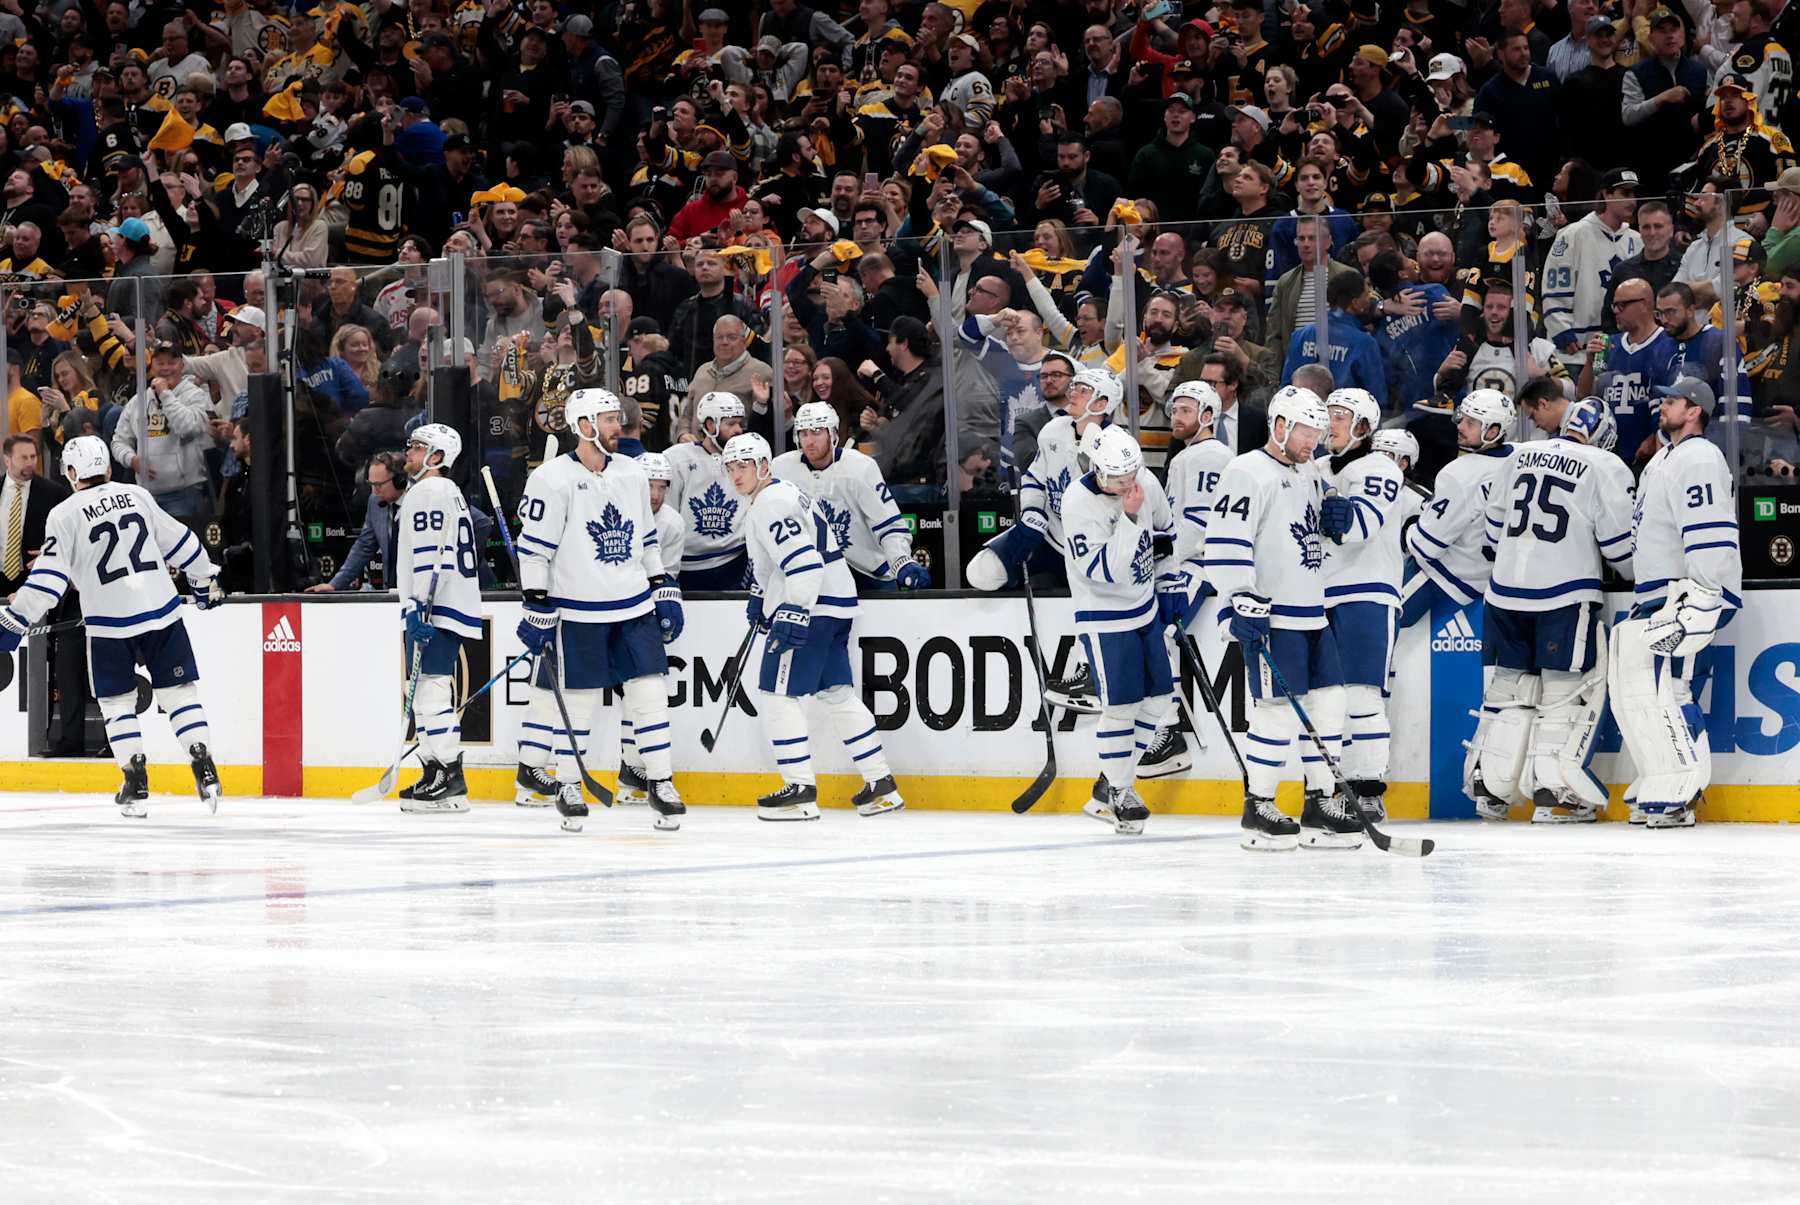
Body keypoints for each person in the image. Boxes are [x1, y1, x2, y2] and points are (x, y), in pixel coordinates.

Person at [0, 436, 223, 816]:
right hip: (161, 611)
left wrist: (11, 624)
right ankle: (204, 767)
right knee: (180, 694)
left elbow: (48, 581)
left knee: (117, 703)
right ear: (107, 467)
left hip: (108, 625)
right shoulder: (136, 495)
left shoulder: (65, 513)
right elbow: (182, 541)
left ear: (71, 473)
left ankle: (135, 783)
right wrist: (205, 582)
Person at [512, 387, 686, 832]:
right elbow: (534, 552)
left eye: (617, 419)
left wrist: (661, 586)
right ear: (584, 426)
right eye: (608, 420)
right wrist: (536, 603)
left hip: (632, 605)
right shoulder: (551, 480)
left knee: (650, 692)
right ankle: (569, 783)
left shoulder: (630, 473)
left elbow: (645, 540)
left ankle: (661, 782)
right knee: (580, 700)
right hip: (578, 610)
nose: (618, 428)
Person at [1203, 386, 1363, 852]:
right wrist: (1237, 599)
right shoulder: (1247, 471)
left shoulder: (1311, 471)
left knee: (1331, 705)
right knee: (1274, 715)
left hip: (1314, 611)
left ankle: (1320, 801)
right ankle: (1259, 804)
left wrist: (1338, 521)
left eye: (1319, 432)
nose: (1315, 441)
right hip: (1272, 615)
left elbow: (1315, 544)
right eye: (1307, 431)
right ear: (1279, 426)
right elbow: (1227, 541)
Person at [1466, 397, 1635, 825]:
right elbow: (1620, 549)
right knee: (1564, 695)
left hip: (1505, 591)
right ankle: (1554, 793)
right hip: (1563, 592)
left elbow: (1492, 526)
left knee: (1508, 691)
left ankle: (1490, 789)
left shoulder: (1521, 455)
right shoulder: (1604, 464)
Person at [722, 431, 904, 822]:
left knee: (776, 694)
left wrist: (792, 610)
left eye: (744, 466)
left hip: (813, 605)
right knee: (837, 693)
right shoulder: (783, 492)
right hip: (837, 604)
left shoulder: (770, 504)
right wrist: (761, 593)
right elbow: (778, 563)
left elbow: (803, 562)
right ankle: (881, 784)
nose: (736, 475)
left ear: (764, 466)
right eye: (731, 467)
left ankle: (800, 792)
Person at [1609, 377, 1743, 829]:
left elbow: (1710, 533)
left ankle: (1683, 789)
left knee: (1673, 692)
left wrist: (1704, 598)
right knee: (1644, 695)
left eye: (1672, 400)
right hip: (1655, 593)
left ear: (1696, 411)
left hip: (1681, 593)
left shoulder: (1700, 457)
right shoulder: (1660, 460)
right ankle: (1659, 778)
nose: (1662, 405)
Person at [1052, 426, 1180, 836]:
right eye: (1119, 479)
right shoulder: (1077, 502)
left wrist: (1167, 566)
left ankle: (1111, 783)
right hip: (1103, 615)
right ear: (1098, 470)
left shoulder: (1143, 480)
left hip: (1144, 607)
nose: (1128, 485)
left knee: (1160, 697)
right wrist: (1127, 519)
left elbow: (1166, 527)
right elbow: (1103, 571)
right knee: (1121, 705)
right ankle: (1122, 790)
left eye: (1132, 476)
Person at [1315, 389, 1410, 824]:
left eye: (1340, 415)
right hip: (1317, 594)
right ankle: (1330, 789)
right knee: (1325, 700)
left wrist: (1327, 508)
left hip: (1366, 592)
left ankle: (1367, 788)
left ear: (1364, 427)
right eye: (1326, 414)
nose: (1329, 422)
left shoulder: (1378, 467)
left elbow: (1356, 526)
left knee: (1361, 696)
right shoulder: (1313, 469)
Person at [1136, 379, 1235, 780]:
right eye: (1174, 410)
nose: (1176, 417)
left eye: (1186, 410)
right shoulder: (1198, 455)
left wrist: (1167, 561)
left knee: (1159, 631)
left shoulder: (1201, 457)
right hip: (1199, 560)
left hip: (1200, 563)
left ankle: (1170, 730)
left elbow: (1194, 524)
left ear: (1208, 416)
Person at [388, 425, 484, 814]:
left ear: (438, 456)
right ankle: (432, 769)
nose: (409, 452)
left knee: (431, 690)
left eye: (417, 447)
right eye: (410, 445)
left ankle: (449, 772)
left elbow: (430, 556)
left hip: (436, 606)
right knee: (426, 687)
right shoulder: (445, 491)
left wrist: (417, 608)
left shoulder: (428, 491)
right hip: (445, 602)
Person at [770, 402, 926, 592]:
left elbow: (887, 523)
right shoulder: (781, 469)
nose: (809, 441)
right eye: (804, 433)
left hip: (865, 571)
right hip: (813, 575)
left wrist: (900, 560)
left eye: (817, 432)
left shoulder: (860, 467)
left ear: (833, 433)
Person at [1401, 390, 1519, 630]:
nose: (1460, 426)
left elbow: (1426, 548)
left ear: (1494, 431)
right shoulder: (1523, 457)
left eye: (1471, 422)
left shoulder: (1459, 474)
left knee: (1376, 621)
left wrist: (1409, 528)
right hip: (1491, 581)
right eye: (1462, 418)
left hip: (1441, 579)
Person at [615, 450, 686, 807]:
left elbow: (664, 574)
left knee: (640, 689)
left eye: (662, 487)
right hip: (606, 605)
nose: (655, 495)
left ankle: (632, 769)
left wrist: (667, 599)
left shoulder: (672, 523)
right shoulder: (615, 508)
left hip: (639, 609)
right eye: (649, 486)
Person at [1544, 168, 1644, 373]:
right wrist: (1561, 328)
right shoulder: (1573, 234)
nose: (1632, 200)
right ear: (1606, 195)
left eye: (1633, 194)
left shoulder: (1637, 239)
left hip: (1624, 348)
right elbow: (1554, 284)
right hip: (1577, 352)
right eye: (1625, 193)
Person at [110, 342, 214, 521]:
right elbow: (118, 440)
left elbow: (187, 427)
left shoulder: (196, 396)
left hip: (185, 495)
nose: (166, 368)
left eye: (171, 362)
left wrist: (166, 395)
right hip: (146, 496)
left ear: (182, 365)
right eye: (160, 363)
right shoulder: (138, 401)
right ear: (153, 365)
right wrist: (131, 459)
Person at [664, 391, 751, 589]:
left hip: (734, 562)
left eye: (740, 423)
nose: (738, 430)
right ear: (711, 425)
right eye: (731, 424)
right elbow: (666, 515)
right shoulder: (676, 459)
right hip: (685, 568)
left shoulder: (749, 458)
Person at [308, 452, 405, 592]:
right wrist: (334, 584)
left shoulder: (418, 501)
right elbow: (364, 546)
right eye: (371, 484)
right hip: (391, 592)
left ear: (399, 480)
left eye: (379, 485)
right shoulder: (375, 502)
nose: (374, 491)